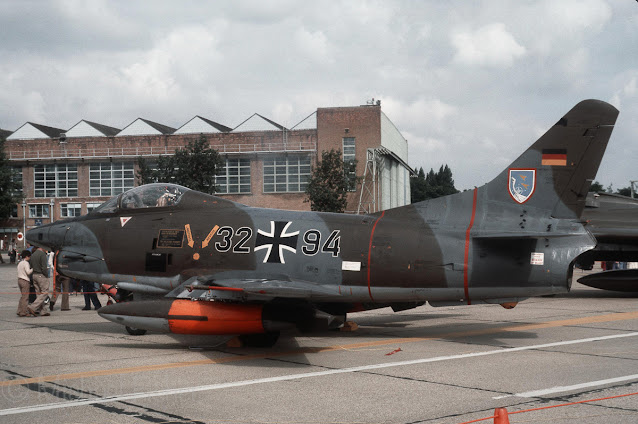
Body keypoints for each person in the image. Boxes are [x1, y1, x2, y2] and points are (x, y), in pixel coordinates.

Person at [28, 246, 51, 316]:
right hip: (41, 275)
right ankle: (33, 307)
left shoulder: (33, 254)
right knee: (44, 292)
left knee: (38, 293)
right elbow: (44, 267)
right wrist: (46, 275)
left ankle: (43, 310)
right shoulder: (42, 254)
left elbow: (31, 265)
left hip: (34, 275)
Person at [16, 250, 34, 317]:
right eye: (29, 257)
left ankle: (19, 310)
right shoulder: (26, 263)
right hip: (25, 280)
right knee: (25, 297)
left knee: (22, 296)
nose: (29, 258)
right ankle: (23, 312)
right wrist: (33, 268)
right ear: (27, 256)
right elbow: (28, 272)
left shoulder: (20, 263)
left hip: (19, 279)